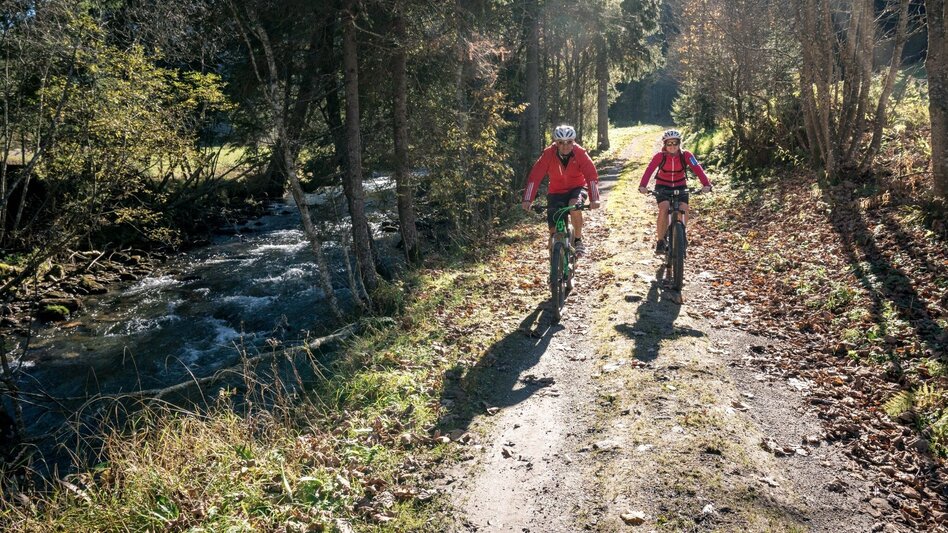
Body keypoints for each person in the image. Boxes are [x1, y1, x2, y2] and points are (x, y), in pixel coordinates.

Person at [521, 125, 600, 256]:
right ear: (556, 143)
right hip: (556, 191)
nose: (565, 146)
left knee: (573, 205)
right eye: (561, 143)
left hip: (577, 188)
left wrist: (594, 198)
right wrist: (527, 199)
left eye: (569, 142)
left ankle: (578, 240)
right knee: (553, 233)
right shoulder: (548, 154)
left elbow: (591, 175)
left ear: (573, 141)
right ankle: (554, 265)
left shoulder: (580, 153)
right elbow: (535, 177)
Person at [638, 129, 712, 254]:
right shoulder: (659, 156)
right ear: (664, 145)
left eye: (675, 143)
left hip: (680, 185)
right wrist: (643, 186)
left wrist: (706, 184)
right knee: (664, 208)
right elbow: (649, 170)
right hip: (663, 186)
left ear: (679, 144)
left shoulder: (686, 155)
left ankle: (681, 233)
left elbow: (697, 168)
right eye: (669, 143)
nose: (672, 146)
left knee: (684, 208)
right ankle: (661, 241)